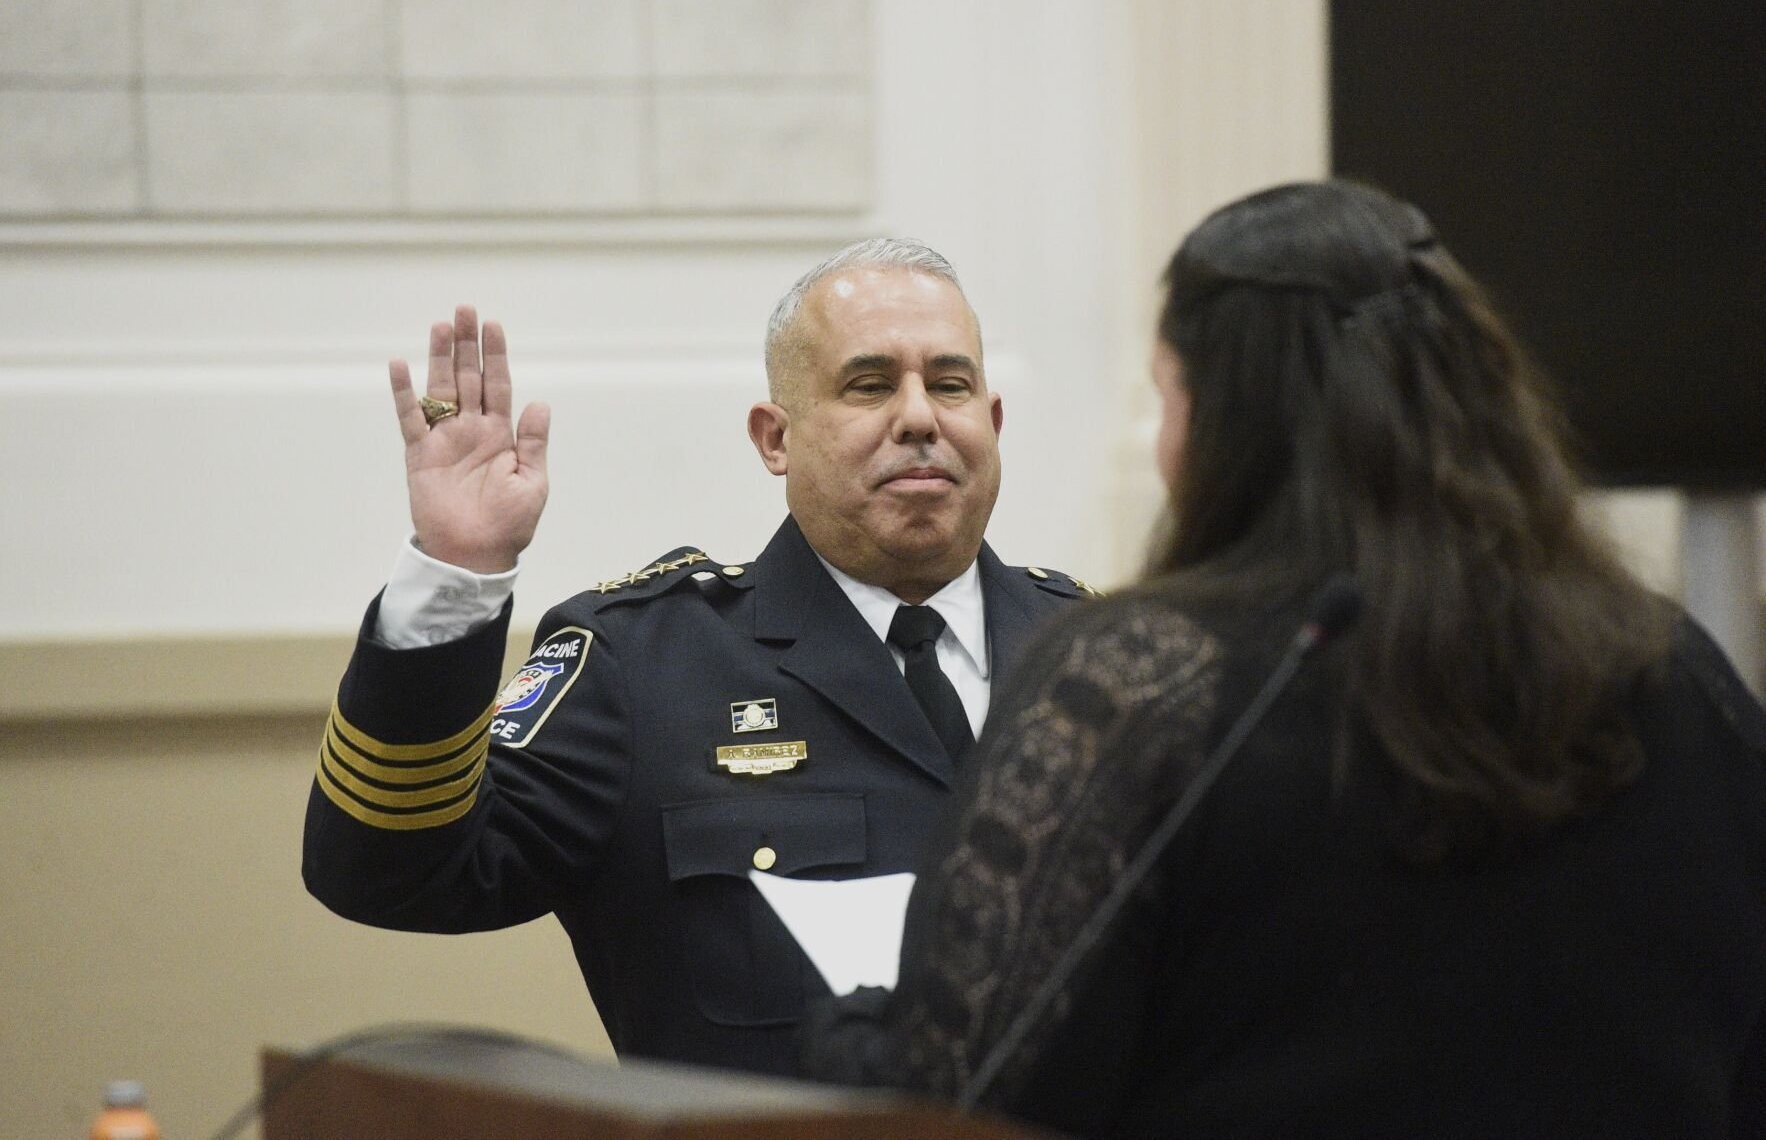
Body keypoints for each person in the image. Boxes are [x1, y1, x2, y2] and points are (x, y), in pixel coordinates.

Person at [800, 182, 1766, 1138]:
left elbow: (956, 1097)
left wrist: (843, 1028)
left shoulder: (1140, 685)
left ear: (1224, 424)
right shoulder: (1674, 669)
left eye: (1166, 397)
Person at [300, 239, 1089, 1077]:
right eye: (868, 385)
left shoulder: (1103, 658)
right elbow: (389, 871)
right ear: (774, 438)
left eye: (950, 384)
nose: (920, 417)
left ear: (992, 424)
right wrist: (455, 573)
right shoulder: (645, 667)